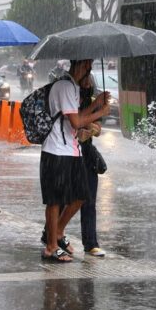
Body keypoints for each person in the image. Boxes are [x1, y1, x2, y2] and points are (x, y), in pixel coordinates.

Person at [40, 59, 109, 262]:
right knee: (55, 200)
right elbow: (76, 121)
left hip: (71, 150)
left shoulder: (73, 87)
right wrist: (101, 112)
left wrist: (96, 105)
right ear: (81, 66)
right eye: (88, 66)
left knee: (81, 195)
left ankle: (58, 233)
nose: (90, 71)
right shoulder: (64, 86)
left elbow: (77, 116)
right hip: (56, 150)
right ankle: (51, 246)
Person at [76, 73, 107, 257]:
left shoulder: (92, 101)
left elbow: (97, 130)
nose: (88, 82)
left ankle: (90, 243)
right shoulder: (71, 98)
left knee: (89, 200)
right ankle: (52, 236)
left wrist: (93, 129)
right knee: (66, 201)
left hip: (87, 155)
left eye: (89, 79)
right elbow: (74, 124)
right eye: (85, 78)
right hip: (68, 154)